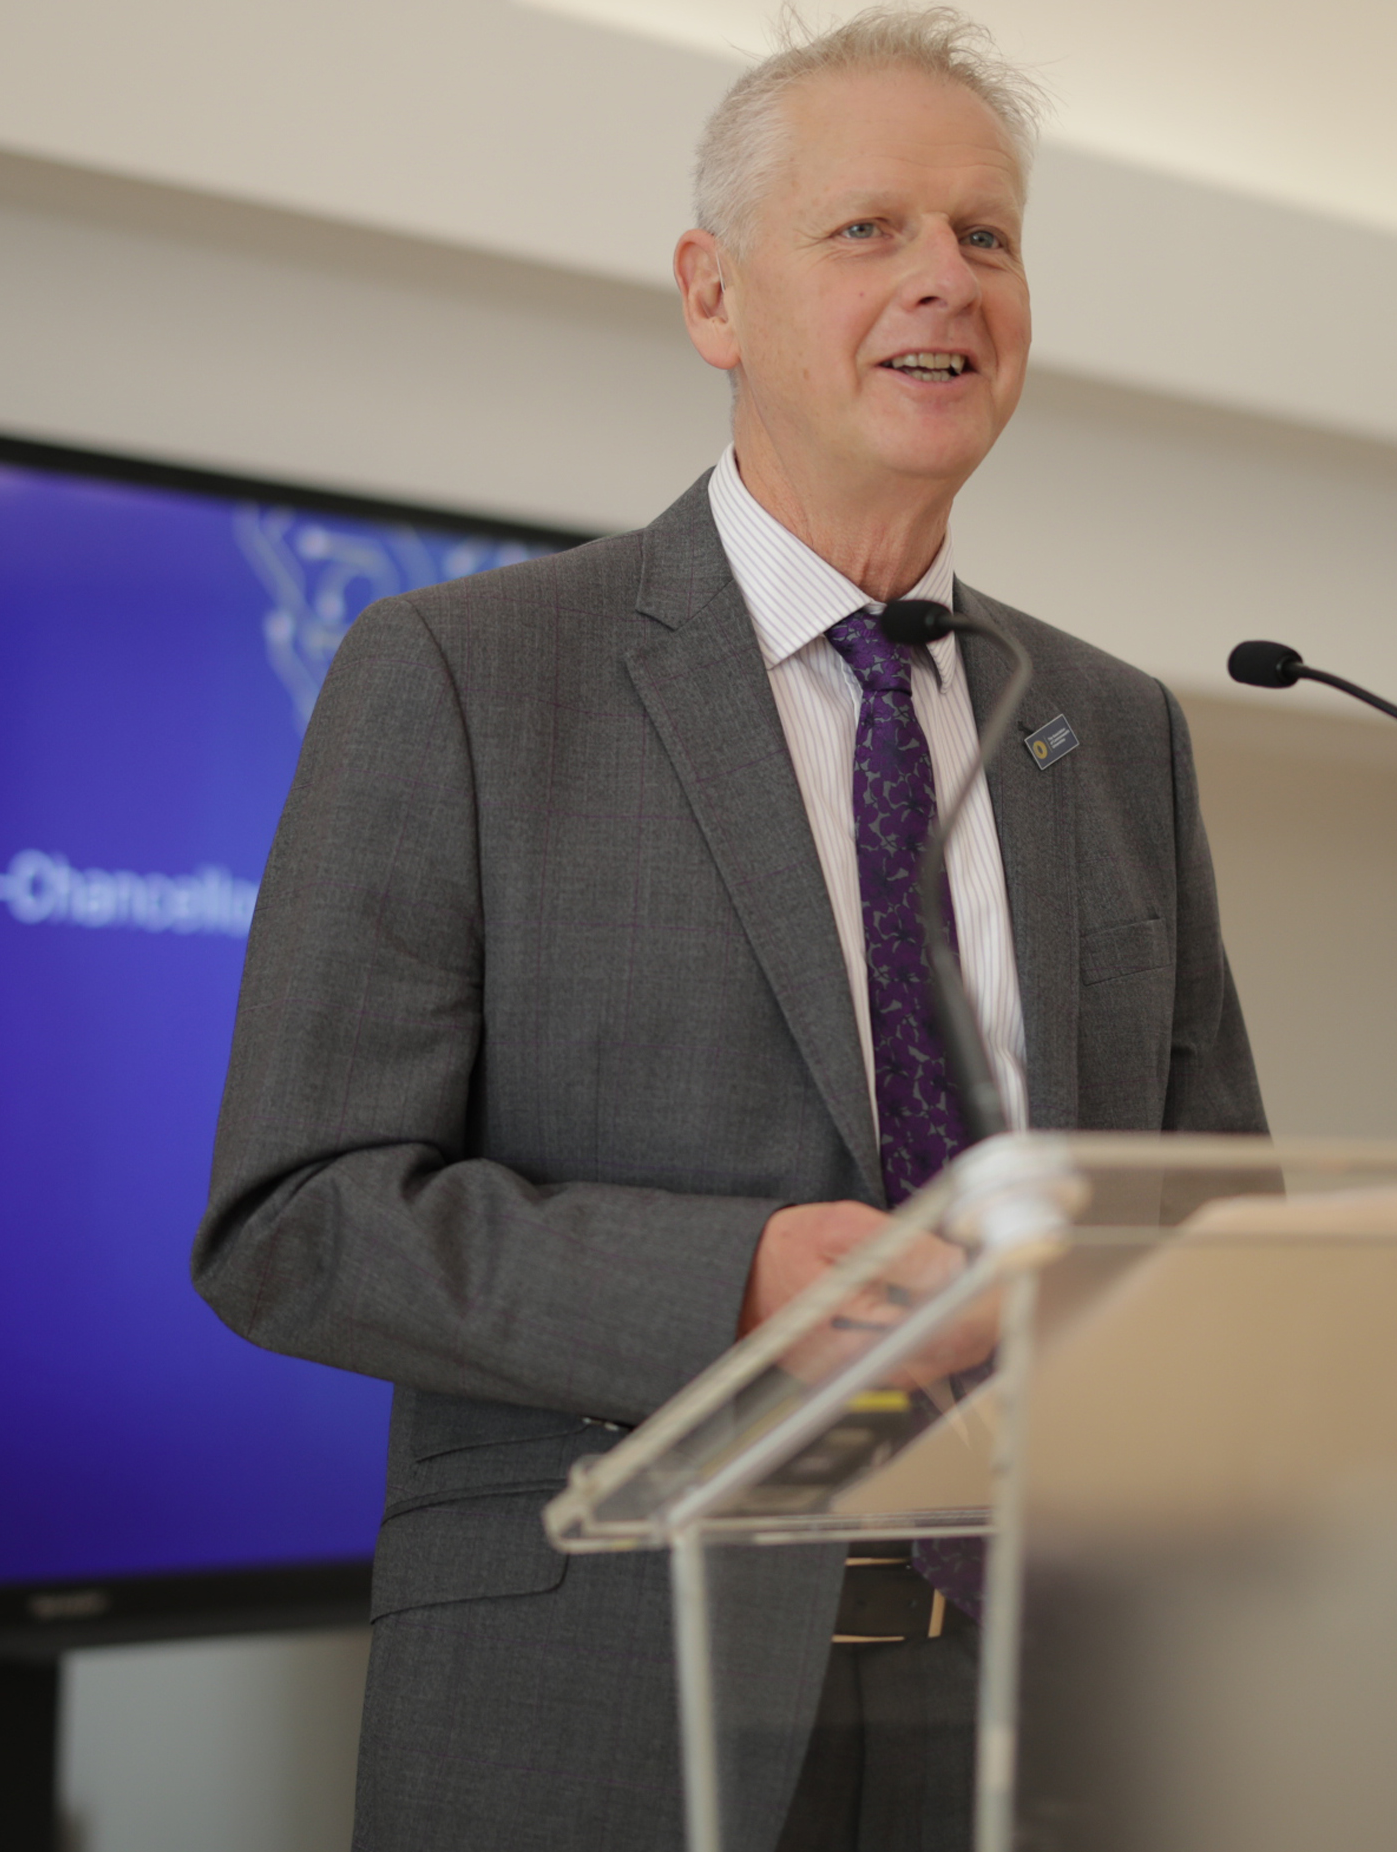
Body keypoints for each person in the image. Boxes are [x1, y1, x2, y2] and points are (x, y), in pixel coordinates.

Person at [196, 9, 1264, 1848]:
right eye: (870, 231)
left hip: (1036, 1710)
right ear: (713, 298)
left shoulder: (1114, 728)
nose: (946, 278)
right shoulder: (462, 677)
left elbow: (1207, 1209)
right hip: (607, 1699)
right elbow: (293, 1227)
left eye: (986, 237)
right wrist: (743, 1285)